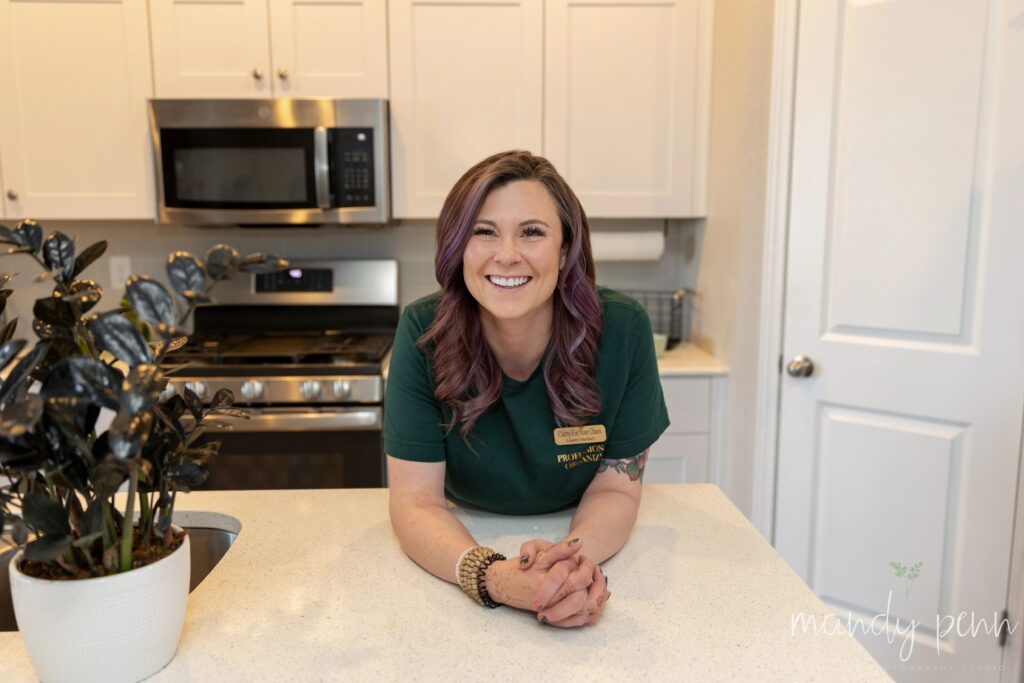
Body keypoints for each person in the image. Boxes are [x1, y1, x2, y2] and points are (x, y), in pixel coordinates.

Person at [385, 150, 669, 628]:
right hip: (463, 528)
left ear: (564, 250)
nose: (508, 255)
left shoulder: (623, 329)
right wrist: (497, 578)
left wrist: (567, 566)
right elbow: (416, 503)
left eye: (532, 232)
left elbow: (616, 491)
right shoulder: (422, 331)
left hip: (580, 525)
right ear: (459, 247)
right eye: (484, 231)